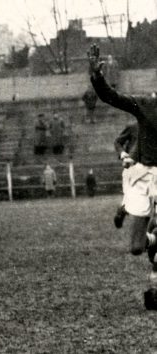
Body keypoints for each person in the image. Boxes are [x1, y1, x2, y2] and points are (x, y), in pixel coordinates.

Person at [88, 43, 157, 284]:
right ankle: (153, 241)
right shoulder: (146, 105)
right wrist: (97, 76)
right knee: (137, 247)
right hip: (146, 176)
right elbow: (110, 97)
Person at [113, 123, 138, 228]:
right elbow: (117, 141)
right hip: (133, 165)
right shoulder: (133, 127)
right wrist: (122, 153)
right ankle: (123, 208)